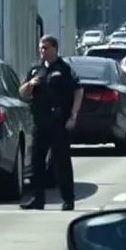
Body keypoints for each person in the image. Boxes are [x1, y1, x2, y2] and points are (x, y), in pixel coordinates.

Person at [19, 34, 83, 211]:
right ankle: (38, 200)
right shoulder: (35, 68)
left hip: (59, 122)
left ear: (55, 48)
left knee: (61, 162)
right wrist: (30, 84)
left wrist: (73, 115)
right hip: (40, 122)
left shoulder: (64, 69)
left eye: (46, 47)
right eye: (41, 47)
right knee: (36, 163)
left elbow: (78, 91)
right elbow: (22, 92)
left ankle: (68, 199)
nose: (42, 51)